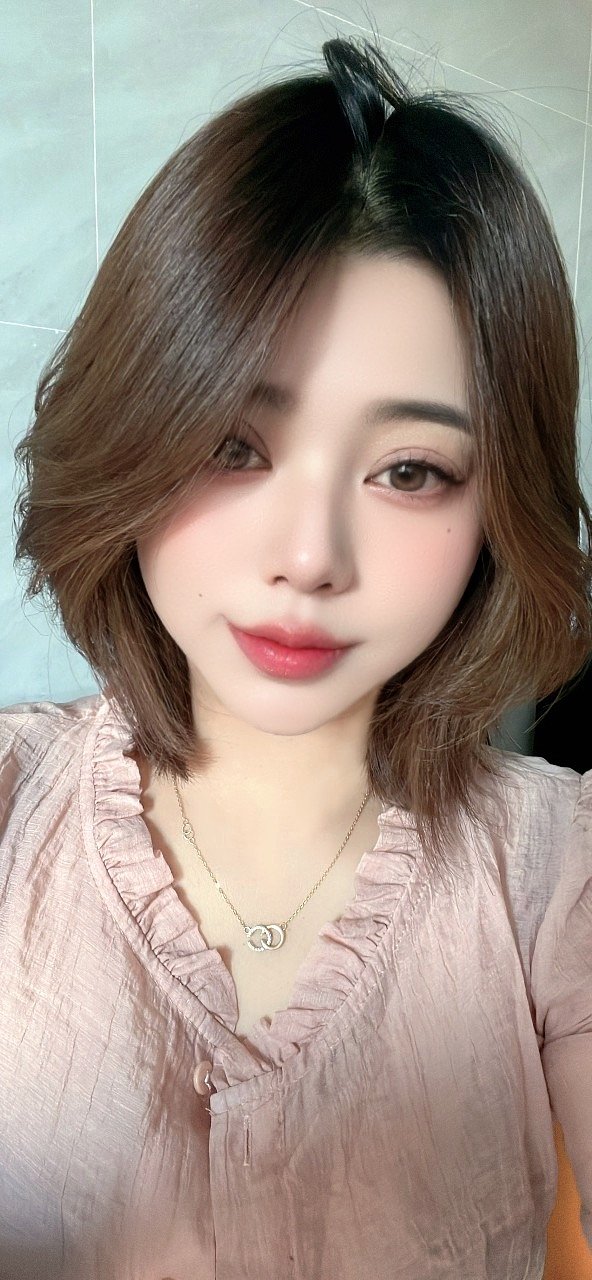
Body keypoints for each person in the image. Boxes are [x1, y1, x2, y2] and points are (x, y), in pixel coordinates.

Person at [0, 32, 591, 1280]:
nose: (311, 556)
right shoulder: (11, 811)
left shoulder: (556, 875)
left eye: (410, 470)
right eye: (233, 444)